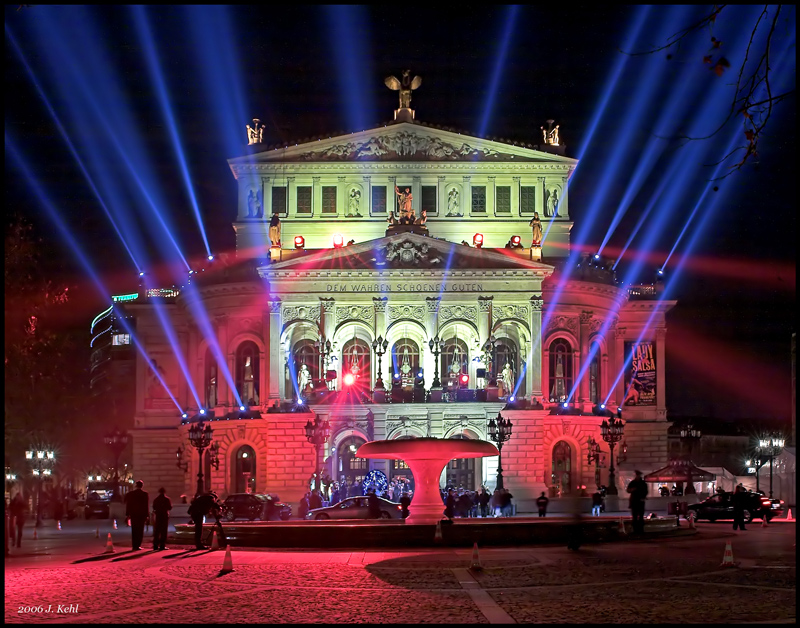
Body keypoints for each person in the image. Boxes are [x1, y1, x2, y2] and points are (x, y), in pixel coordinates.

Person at [124, 480, 150, 551]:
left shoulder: (131, 494)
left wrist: (127, 514)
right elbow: (146, 506)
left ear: (136, 486)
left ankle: (134, 545)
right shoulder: (145, 494)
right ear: (142, 486)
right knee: (140, 530)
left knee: (134, 530)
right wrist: (147, 515)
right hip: (141, 515)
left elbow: (128, 504)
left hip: (133, 514)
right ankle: (138, 545)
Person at [626, 470, 648, 534]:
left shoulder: (640, 483)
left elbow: (645, 492)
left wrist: (643, 496)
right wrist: (632, 490)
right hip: (636, 501)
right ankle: (637, 529)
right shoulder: (637, 483)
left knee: (639, 516)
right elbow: (628, 490)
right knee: (636, 516)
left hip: (638, 501)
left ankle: (639, 529)